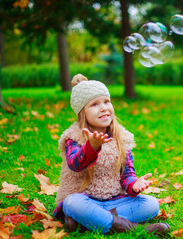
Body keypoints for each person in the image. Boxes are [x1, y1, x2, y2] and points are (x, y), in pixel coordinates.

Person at [53, 74, 170, 236]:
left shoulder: (121, 137)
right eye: (94, 104)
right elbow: (75, 164)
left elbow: (127, 173)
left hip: (114, 201)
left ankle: (86, 222)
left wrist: (134, 185)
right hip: (84, 199)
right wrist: (92, 146)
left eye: (106, 101)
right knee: (73, 203)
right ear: (82, 112)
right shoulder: (73, 136)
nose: (103, 108)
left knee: (151, 204)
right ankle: (134, 229)